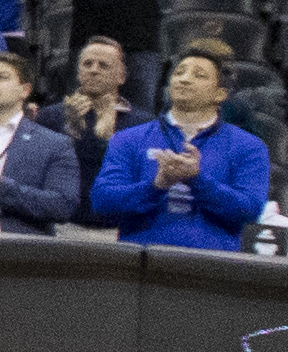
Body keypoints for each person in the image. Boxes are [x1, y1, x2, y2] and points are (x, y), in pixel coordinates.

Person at [88, 46, 276, 249]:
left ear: (220, 94)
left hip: (214, 268)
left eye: (200, 75)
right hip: (141, 264)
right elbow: (103, 201)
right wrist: (156, 185)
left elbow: (250, 210)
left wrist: (197, 180)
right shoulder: (129, 139)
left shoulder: (249, 146)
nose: (184, 79)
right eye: (179, 72)